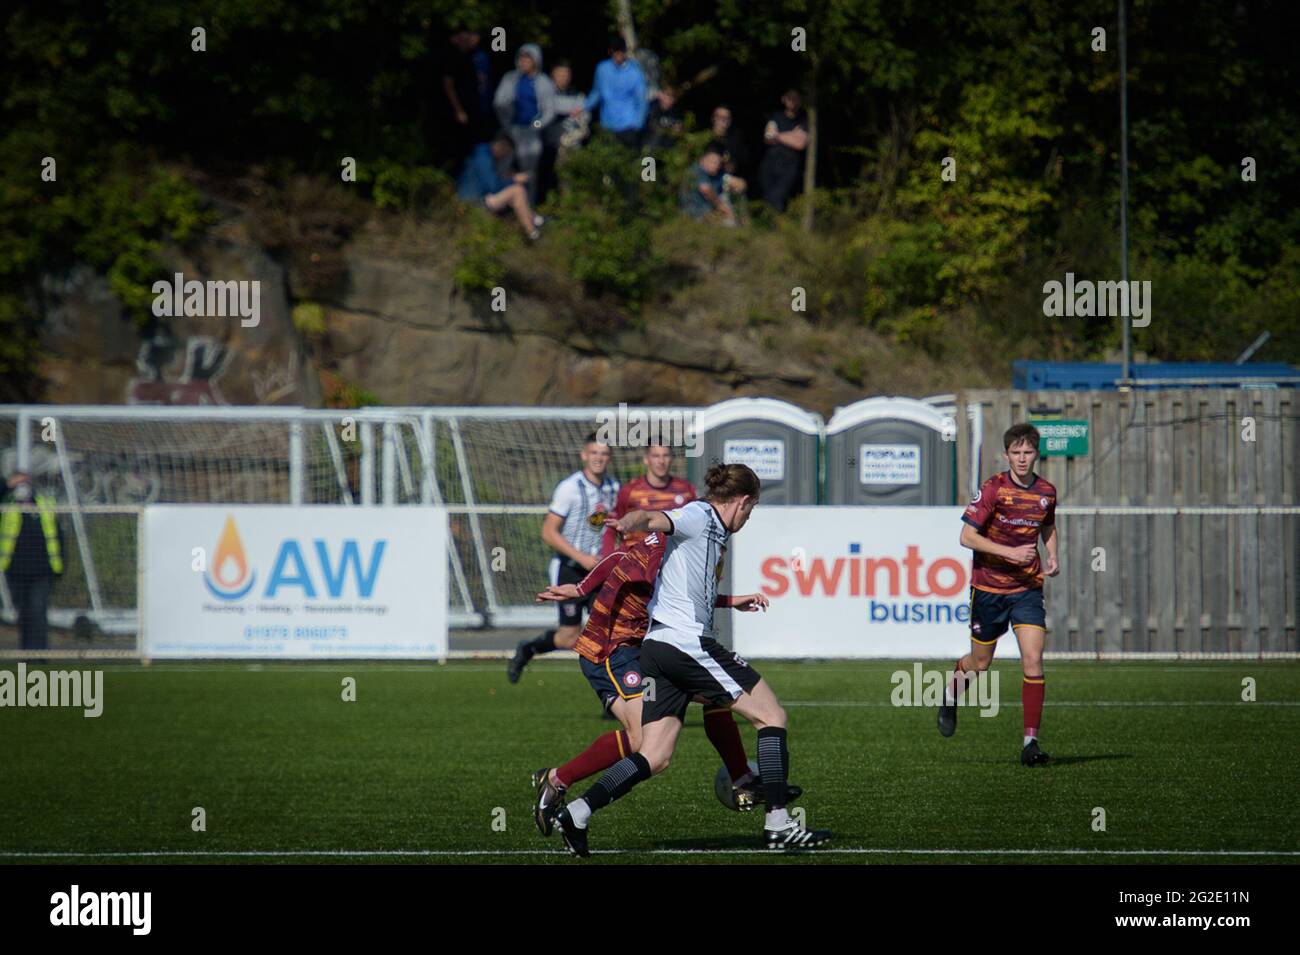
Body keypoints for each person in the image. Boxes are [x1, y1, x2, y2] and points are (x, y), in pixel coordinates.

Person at [552, 463, 833, 856]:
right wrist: (628, 520)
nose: (749, 518)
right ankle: (778, 822)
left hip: (656, 650)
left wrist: (732, 601)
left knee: (655, 755)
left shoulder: (713, 531)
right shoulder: (699, 515)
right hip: (685, 645)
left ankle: (578, 813)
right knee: (772, 716)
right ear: (743, 501)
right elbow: (653, 518)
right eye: (751, 510)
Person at [530, 530, 798, 836]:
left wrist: (580, 588)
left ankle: (741, 778)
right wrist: (580, 588)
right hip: (611, 653)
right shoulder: (661, 555)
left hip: (645, 654)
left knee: (713, 695)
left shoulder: (668, 551)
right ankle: (556, 779)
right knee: (640, 739)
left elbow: (636, 571)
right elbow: (629, 565)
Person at [939, 423, 1059, 766]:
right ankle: (950, 697)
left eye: (1028, 452)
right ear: (1007, 455)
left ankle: (1030, 743)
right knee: (980, 663)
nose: (1022, 459)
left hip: (1027, 589)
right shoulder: (994, 488)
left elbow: (1048, 525)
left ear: (1036, 454)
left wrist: (1053, 554)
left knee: (1033, 659)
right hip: (989, 589)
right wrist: (1008, 553)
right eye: (1016, 453)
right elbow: (966, 536)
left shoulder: (1047, 492)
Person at [507, 434, 619, 683]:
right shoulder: (570, 488)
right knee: (569, 637)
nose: (599, 458)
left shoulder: (614, 487)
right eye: (594, 453)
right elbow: (548, 531)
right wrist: (581, 558)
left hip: (599, 572)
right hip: (569, 569)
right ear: (584, 455)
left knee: (610, 634)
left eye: (604, 454)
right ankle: (528, 649)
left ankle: (614, 699)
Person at [1, 472, 64, 653]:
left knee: (38, 611)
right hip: (15, 570)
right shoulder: (8, 505)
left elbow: (58, 536)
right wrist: (8, 486)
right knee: (24, 613)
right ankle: (27, 651)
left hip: (42, 570)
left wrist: (60, 565)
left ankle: (39, 652)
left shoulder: (43, 505)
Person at [600, 445, 695, 556]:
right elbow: (612, 527)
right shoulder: (629, 491)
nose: (661, 461)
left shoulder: (686, 490)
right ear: (646, 459)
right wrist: (607, 563)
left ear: (672, 458)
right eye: (656, 456)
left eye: (666, 455)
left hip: (675, 562)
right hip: (636, 562)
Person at [493, 44, 555, 204]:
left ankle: (529, 205)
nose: (524, 62)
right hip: (511, 131)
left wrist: (536, 125)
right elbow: (499, 102)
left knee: (529, 172)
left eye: (528, 58)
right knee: (504, 169)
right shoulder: (511, 78)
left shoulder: (543, 82)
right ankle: (504, 204)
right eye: (522, 58)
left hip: (531, 132)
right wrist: (507, 123)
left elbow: (549, 111)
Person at [456, 135, 544, 241]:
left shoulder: (483, 154)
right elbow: (493, 186)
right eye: (506, 154)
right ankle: (532, 230)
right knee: (517, 190)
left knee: (516, 194)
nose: (503, 158)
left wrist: (509, 178)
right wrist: (514, 179)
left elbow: (490, 182)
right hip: (473, 202)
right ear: (502, 148)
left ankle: (532, 222)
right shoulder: (483, 156)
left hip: (478, 199)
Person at [577, 37, 648, 149]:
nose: (618, 57)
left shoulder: (635, 71)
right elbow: (596, 93)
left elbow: (642, 100)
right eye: (615, 53)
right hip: (607, 124)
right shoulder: (602, 69)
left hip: (628, 125)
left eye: (621, 53)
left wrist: (638, 124)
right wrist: (583, 107)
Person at [440, 25, 495, 168]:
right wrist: (458, 109)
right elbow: (448, 85)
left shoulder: (474, 56)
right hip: (460, 111)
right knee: (458, 146)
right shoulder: (452, 56)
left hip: (474, 110)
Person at [758, 89, 809, 213]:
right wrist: (792, 134)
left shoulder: (804, 119)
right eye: (789, 98)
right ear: (784, 99)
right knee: (769, 196)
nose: (792, 102)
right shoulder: (776, 116)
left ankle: (777, 227)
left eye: (795, 98)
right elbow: (768, 137)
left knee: (779, 196)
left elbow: (800, 143)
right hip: (771, 162)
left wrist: (778, 136)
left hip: (790, 165)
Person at [681, 147, 746, 225]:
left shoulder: (716, 172)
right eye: (713, 162)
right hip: (696, 212)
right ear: (703, 160)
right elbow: (706, 190)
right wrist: (724, 209)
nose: (716, 165)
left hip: (711, 211)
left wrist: (739, 186)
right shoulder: (697, 171)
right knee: (728, 222)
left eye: (718, 163)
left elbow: (735, 182)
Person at [707, 104, 750, 179]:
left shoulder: (735, 139)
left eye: (727, 118)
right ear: (713, 118)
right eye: (720, 117)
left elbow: (743, 160)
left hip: (726, 177)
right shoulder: (704, 137)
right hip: (705, 177)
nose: (723, 121)